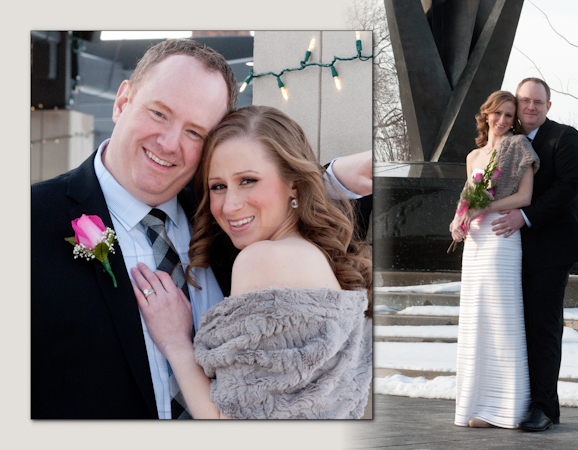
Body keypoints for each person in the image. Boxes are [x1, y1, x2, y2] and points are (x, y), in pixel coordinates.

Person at [31, 38, 372, 419]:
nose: (170, 143)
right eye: (159, 113)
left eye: (195, 133)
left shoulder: (231, 227)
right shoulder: (28, 219)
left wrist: (327, 178)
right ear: (123, 101)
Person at [130, 106, 372, 418]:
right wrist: (332, 178)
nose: (230, 206)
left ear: (295, 184)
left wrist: (176, 342)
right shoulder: (312, 255)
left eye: (248, 180)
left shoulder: (261, 260)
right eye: (218, 186)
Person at [489, 78, 578, 431]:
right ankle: (518, 399)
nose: (531, 107)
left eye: (538, 102)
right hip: (510, 250)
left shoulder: (565, 138)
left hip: (551, 248)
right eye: (525, 100)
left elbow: (566, 189)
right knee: (517, 328)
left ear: (549, 106)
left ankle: (544, 407)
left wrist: (524, 216)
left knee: (543, 329)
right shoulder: (506, 142)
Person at [450, 91, 538, 429]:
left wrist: (484, 208)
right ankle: (478, 405)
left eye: (508, 116)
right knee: (476, 318)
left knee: (501, 317)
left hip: (501, 235)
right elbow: (465, 196)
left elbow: (525, 196)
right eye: (497, 114)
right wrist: (457, 221)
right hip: (474, 241)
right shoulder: (474, 156)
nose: (502, 121)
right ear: (486, 115)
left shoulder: (518, 147)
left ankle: (507, 408)